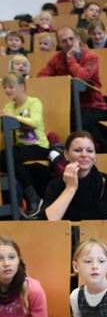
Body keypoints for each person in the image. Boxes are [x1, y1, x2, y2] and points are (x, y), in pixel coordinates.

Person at [39, 27, 107, 148]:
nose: (69, 43)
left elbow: (83, 77)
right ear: (59, 44)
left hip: (94, 105)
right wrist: (59, 82)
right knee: (55, 123)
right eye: (64, 41)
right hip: (69, 107)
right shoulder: (57, 58)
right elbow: (41, 77)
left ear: (78, 38)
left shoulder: (91, 56)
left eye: (71, 39)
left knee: (83, 123)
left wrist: (70, 58)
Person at [43, 131, 107, 221]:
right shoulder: (55, 185)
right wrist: (70, 189)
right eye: (78, 150)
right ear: (66, 154)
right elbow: (46, 224)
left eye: (90, 151)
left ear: (95, 155)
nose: (84, 155)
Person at [2, 72, 48, 217]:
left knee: (10, 156)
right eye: (5, 87)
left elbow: (34, 123)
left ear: (22, 86)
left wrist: (11, 117)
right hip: (21, 148)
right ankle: (15, 201)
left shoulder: (34, 102)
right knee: (6, 157)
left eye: (11, 87)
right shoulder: (9, 106)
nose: (7, 90)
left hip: (38, 146)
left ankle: (32, 197)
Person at [0, 236, 48, 317]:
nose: (7, 263)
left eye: (12, 257)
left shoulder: (33, 289)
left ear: (18, 260)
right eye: (0, 259)